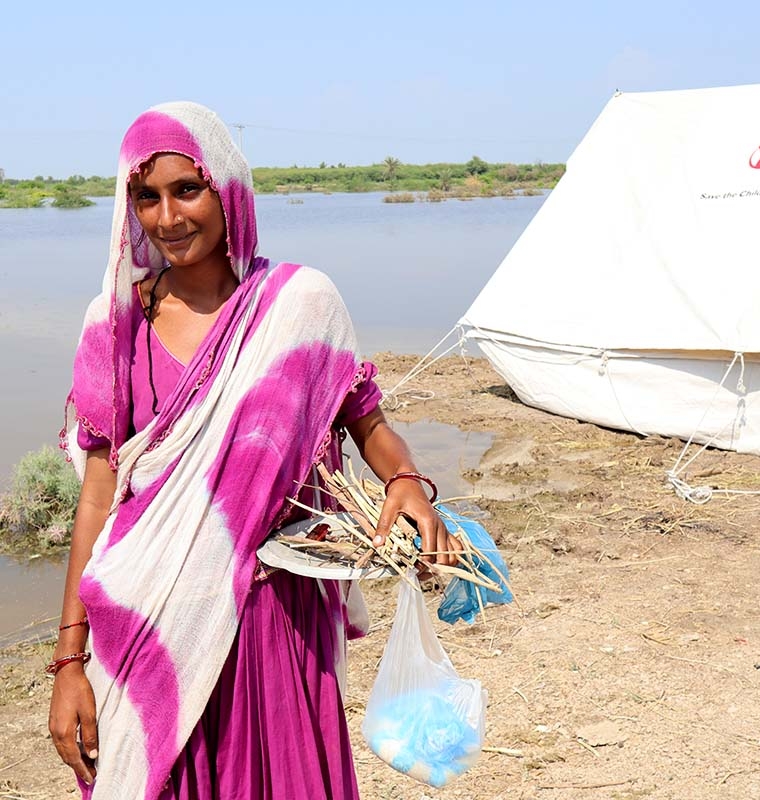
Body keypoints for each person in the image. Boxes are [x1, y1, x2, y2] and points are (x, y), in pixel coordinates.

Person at [47, 101, 461, 800]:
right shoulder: (112, 327)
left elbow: (366, 422)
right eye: (145, 197)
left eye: (187, 189)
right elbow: (98, 495)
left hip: (273, 623)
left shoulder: (298, 304)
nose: (168, 218)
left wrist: (406, 480)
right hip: (148, 629)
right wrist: (68, 664)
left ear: (229, 188)